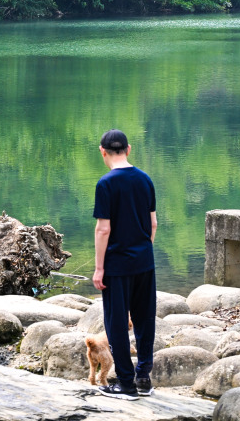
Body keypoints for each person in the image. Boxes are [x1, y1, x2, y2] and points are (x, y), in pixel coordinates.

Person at [91, 129, 157, 400]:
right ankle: (144, 377)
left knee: (116, 324)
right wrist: (142, 251)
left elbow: (103, 229)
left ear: (102, 151)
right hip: (144, 262)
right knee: (144, 320)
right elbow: (152, 224)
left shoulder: (105, 184)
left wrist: (99, 268)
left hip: (117, 266)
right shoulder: (145, 180)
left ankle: (126, 384)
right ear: (128, 149)